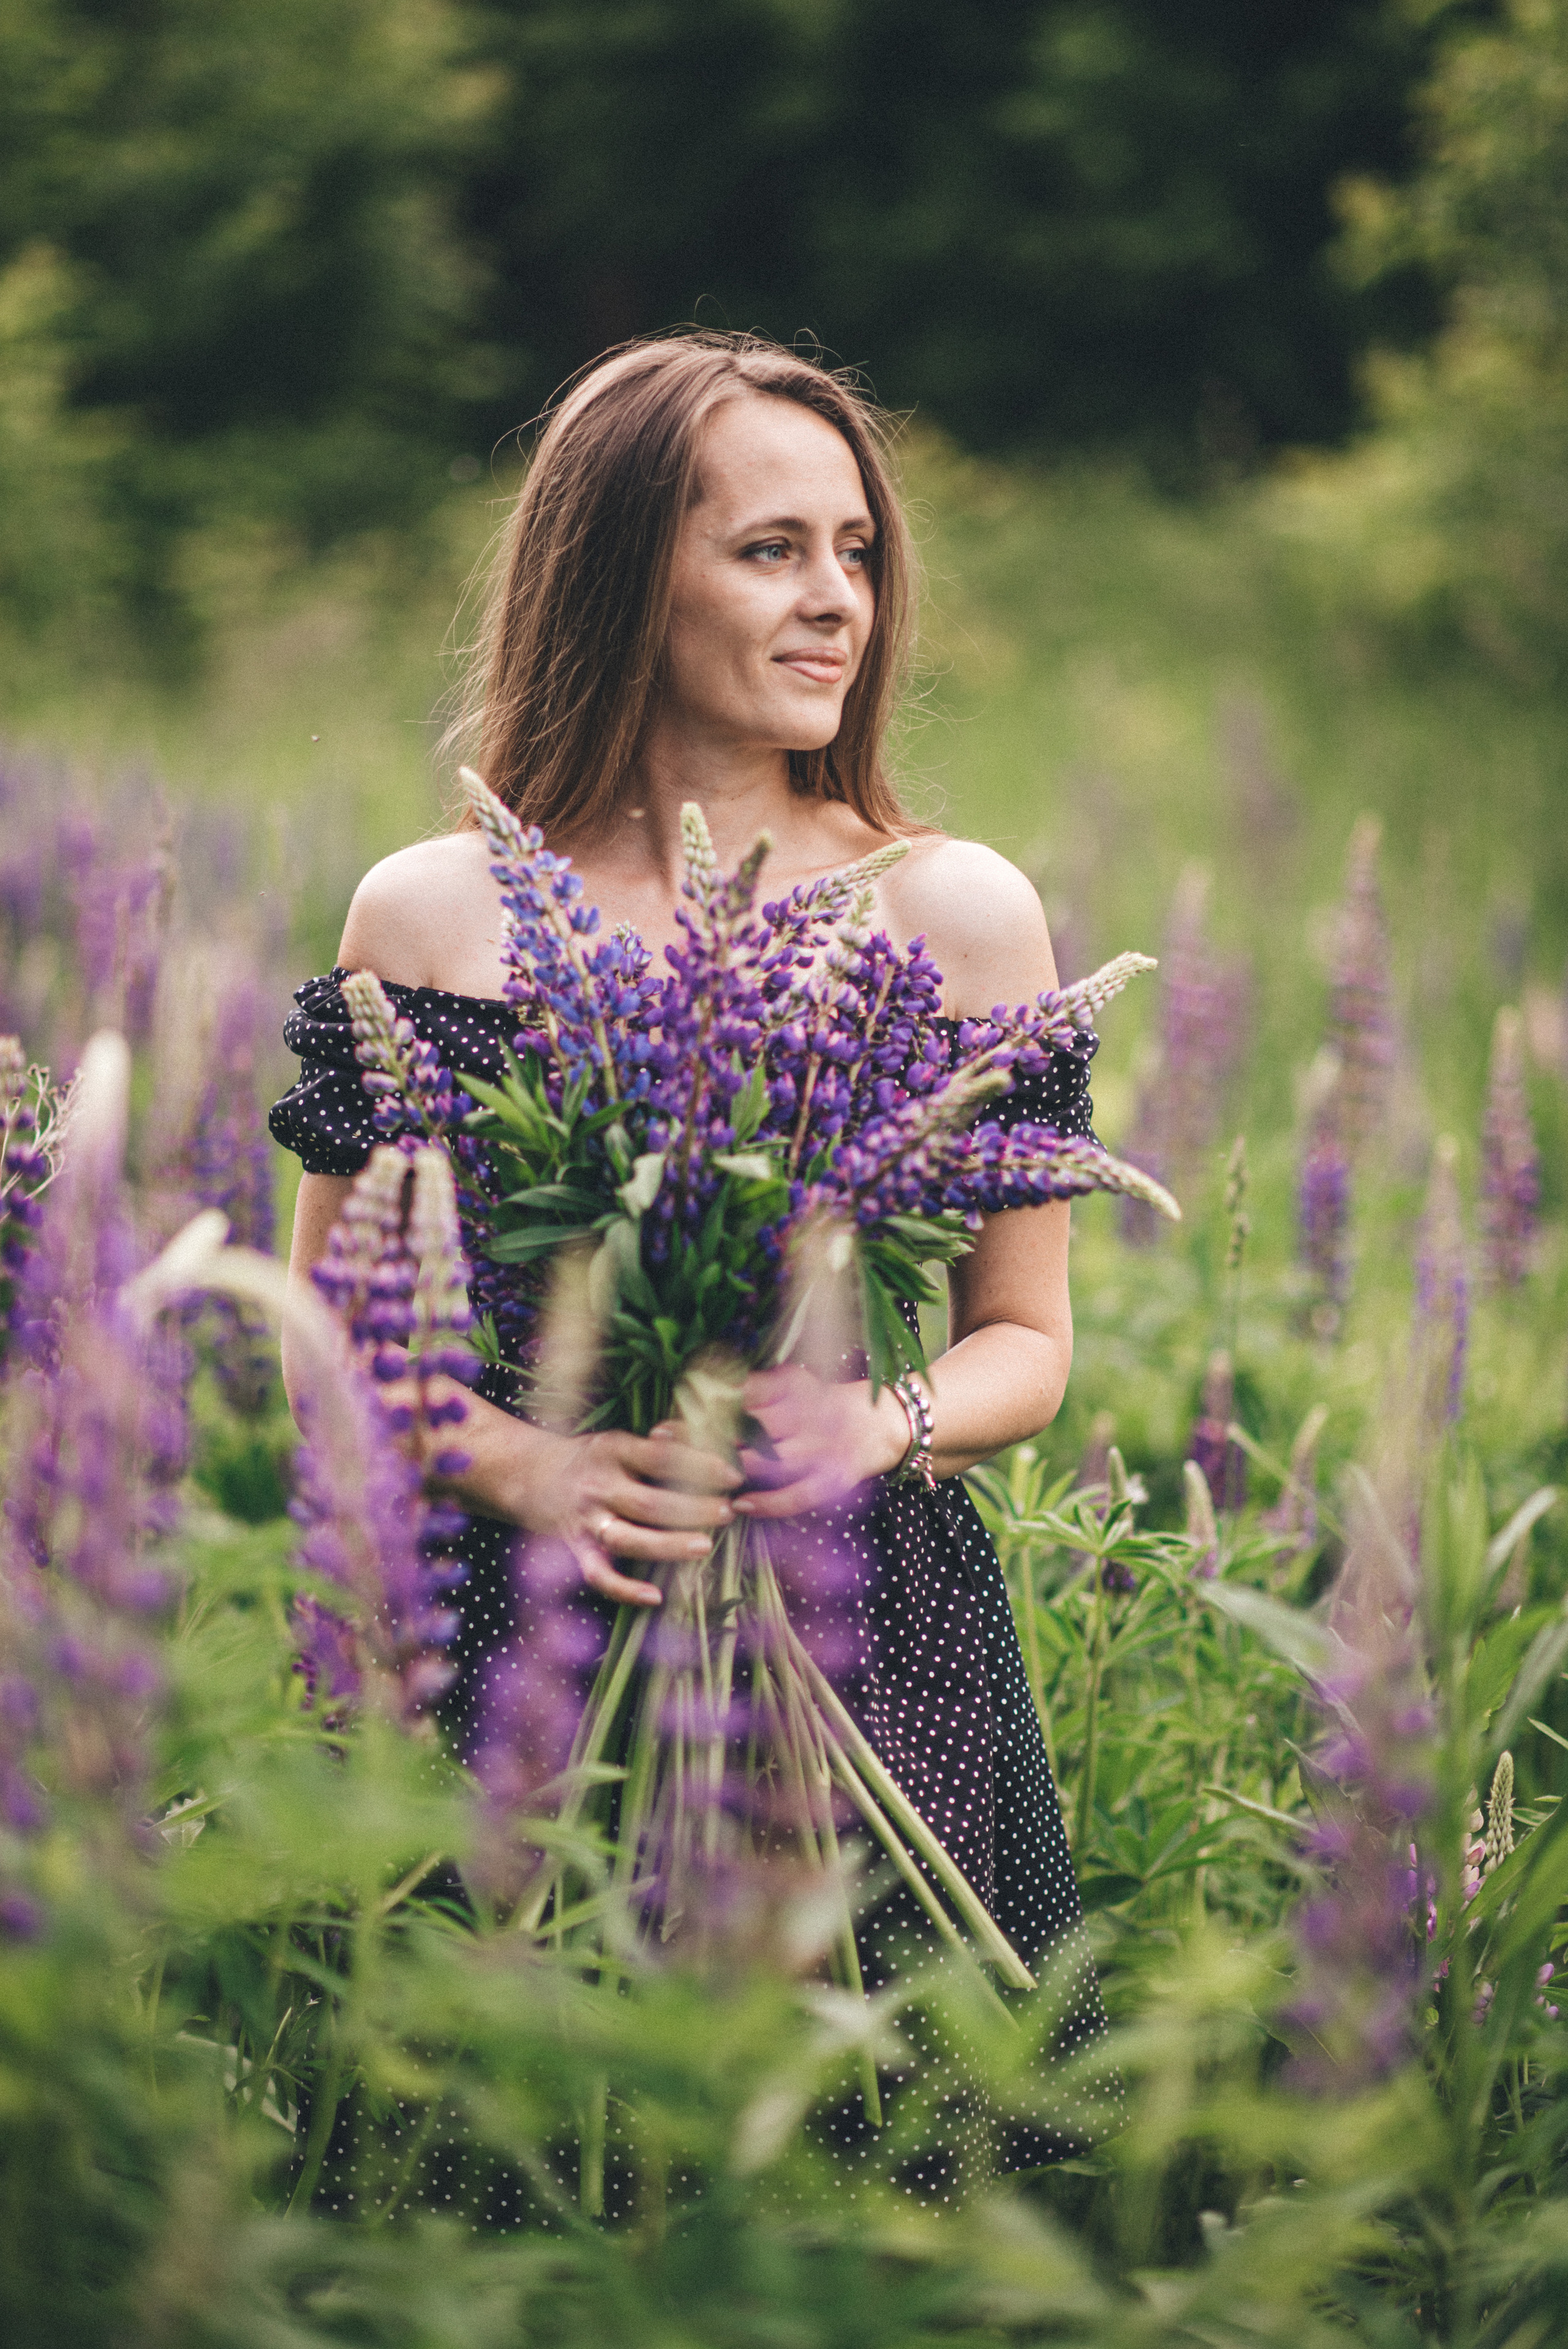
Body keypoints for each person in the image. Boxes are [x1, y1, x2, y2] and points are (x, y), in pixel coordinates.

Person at [270, 331, 1116, 2208]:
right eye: (771, 551)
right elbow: (324, 1323)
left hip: (862, 1640)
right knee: (489, 2179)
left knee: (882, 2183)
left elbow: (1027, 1344)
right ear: (621, 568)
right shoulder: (435, 914)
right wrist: (532, 1465)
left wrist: (868, 1422)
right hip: (510, 1638)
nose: (838, 601)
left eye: (859, 552)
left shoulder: (952, 907)